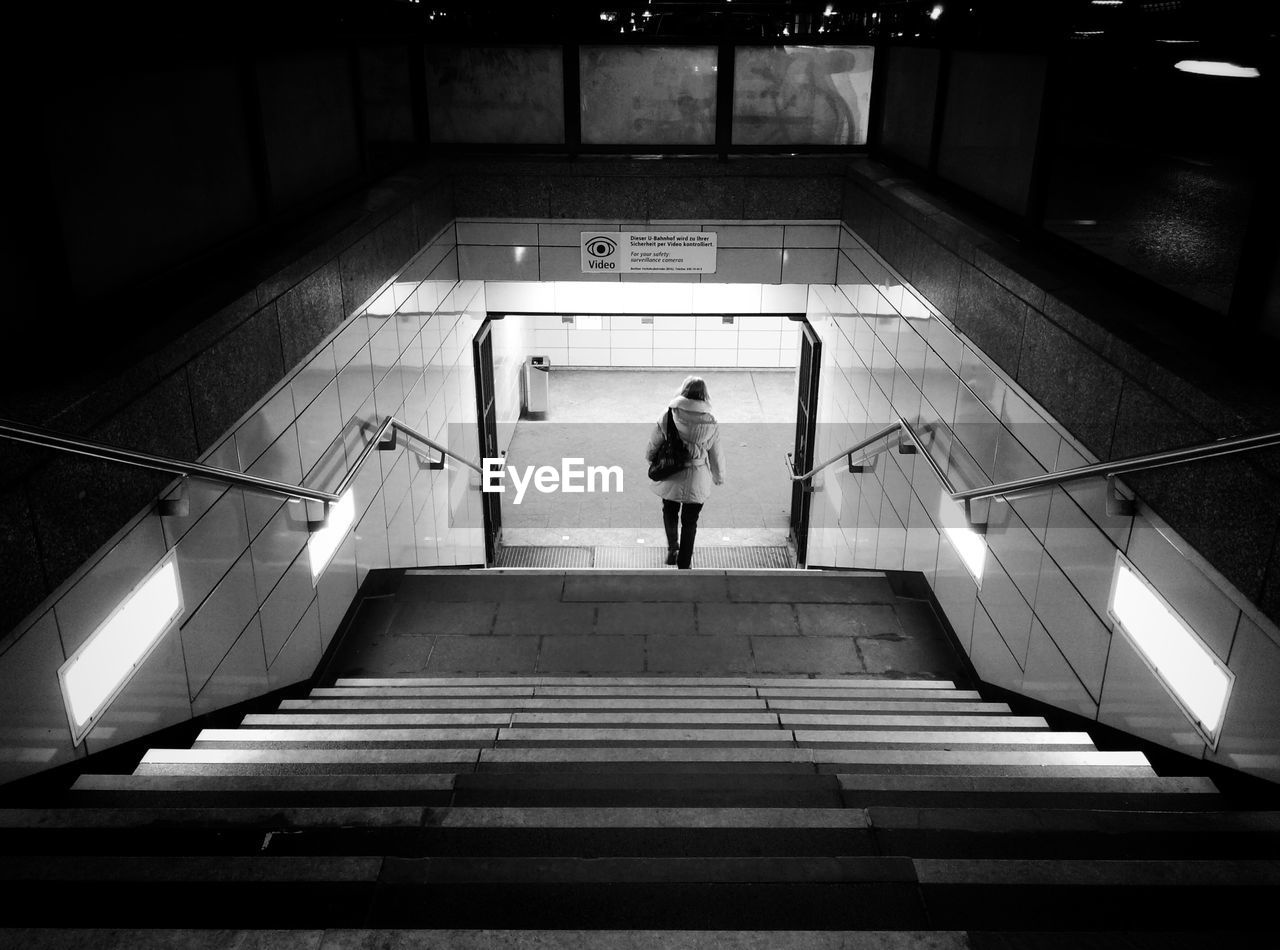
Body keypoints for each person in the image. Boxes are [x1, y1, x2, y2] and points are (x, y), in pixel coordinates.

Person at [646, 375, 724, 569]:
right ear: (704, 395)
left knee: (669, 509)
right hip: (697, 477)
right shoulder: (710, 422)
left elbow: (654, 443)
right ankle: (684, 563)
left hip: (672, 471)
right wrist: (718, 476)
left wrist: (651, 459)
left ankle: (673, 547)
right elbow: (716, 454)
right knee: (690, 521)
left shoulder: (668, 415)